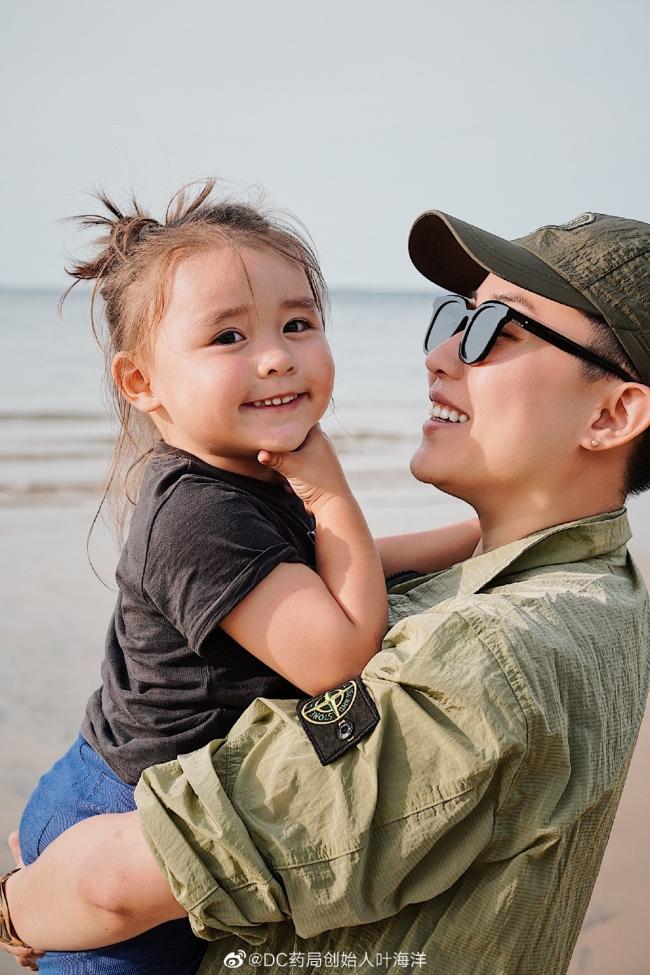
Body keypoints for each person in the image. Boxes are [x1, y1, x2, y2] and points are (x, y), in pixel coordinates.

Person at [2, 207, 650, 975]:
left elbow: (120, 884)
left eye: (493, 330)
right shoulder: (595, 588)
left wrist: (17, 906)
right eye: (451, 318)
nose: (439, 355)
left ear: (613, 413)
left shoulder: (494, 656)